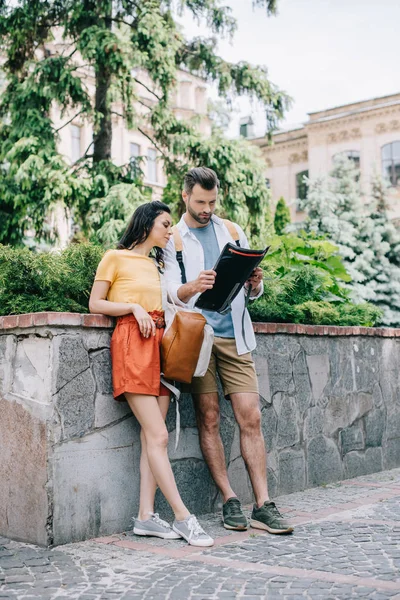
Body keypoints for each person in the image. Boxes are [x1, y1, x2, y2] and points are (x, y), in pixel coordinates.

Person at [164, 168, 293, 534]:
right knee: (209, 417)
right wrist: (193, 286)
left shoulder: (232, 231)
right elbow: (170, 291)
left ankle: (263, 504)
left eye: (212, 201)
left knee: (250, 416)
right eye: (201, 202)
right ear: (185, 196)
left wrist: (255, 283)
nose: (207, 209)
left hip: (236, 338)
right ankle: (229, 499)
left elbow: (250, 294)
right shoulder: (173, 238)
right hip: (198, 340)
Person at [89, 201, 214, 547]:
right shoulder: (114, 258)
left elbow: (177, 298)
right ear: (145, 225)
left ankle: (145, 517)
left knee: (151, 438)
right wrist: (133, 306)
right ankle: (184, 518)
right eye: (165, 224)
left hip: (160, 346)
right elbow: (95, 303)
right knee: (158, 436)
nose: (170, 230)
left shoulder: (157, 263)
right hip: (132, 342)